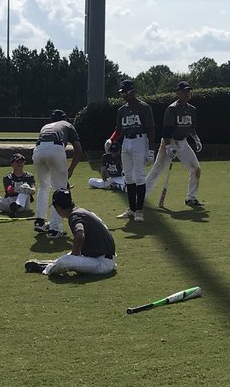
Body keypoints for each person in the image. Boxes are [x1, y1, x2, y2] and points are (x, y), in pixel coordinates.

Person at [25, 188, 117, 277]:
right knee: (66, 257)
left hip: (101, 263)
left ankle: (45, 269)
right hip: (103, 257)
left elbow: (80, 235)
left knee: (64, 261)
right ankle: (50, 263)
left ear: (58, 207)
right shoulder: (82, 211)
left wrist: (74, 257)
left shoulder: (74, 216)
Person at [145, 80, 202, 207]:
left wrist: (196, 139)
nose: (187, 93)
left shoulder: (192, 110)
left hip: (183, 143)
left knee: (196, 169)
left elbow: (191, 128)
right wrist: (169, 147)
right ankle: (141, 197)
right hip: (169, 142)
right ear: (178, 93)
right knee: (157, 170)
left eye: (188, 91)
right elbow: (166, 131)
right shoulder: (172, 109)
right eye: (184, 91)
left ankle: (191, 198)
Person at [106, 80, 155, 222]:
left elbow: (151, 129)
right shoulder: (122, 110)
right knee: (128, 177)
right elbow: (119, 129)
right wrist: (111, 139)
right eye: (122, 93)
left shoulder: (144, 107)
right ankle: (132, 209)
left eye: (125, 92)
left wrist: (151, 150)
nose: (123, 95)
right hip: (126, 141)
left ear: (132, 91)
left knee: (139, 176)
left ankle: (139, 210)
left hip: (140, 140)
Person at [32, 109, 83, 237]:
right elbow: (78, 151)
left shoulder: (46, 126)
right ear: (65, 117)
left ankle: (40, 221)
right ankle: (55, 229)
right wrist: (70, 169)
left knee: (43, 186)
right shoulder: (67, 125)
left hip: (38, 150)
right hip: (55, 148)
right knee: (60, 189)